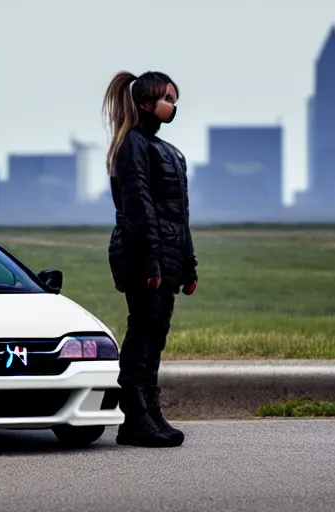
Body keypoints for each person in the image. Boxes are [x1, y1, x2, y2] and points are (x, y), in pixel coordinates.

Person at [103, 71, 198, 448]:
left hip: (168, 256)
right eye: (167, 98)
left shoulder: (172, 153)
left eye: (175, 99)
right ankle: (135, 416)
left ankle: (151, 411)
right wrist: (151, 263)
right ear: (146, 102)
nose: (173, 106)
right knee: (142, 333)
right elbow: (139, 207)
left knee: (155, 335)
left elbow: (181, 215)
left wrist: (188, 264)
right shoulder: (131, 145)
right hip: (141, 255)